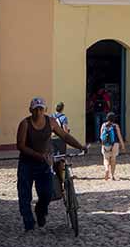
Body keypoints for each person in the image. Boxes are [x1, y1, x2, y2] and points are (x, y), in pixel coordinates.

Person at [16, 98, 86, 233]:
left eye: (41, 109)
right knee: (24, 195)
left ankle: (40, 211)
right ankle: (29, 224)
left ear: (45, 110)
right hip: (27, 163)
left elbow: (64, 136)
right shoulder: (25, 124)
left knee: (47, 193)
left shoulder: (51, 122)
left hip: (43, 163)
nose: (38, 112)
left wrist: (79, 146)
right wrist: (38, 155)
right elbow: (21, 145)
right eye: (36, 109)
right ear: (31, 110)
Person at [98, 112, 127, 181]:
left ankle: (107, 170)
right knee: (113, 159)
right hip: (114, 144)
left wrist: (102, 145)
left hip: (105, 145)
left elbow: (101, 137)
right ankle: (112, 176)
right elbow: (119, 137)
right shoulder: (115, 126)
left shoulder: (103, 125)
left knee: (106, 159)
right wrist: (123, 146)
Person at [51, 102, 70, 199]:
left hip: (52, 140)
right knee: (61, 158)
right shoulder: (63, 118)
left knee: (54, 158)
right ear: (62, 109)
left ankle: (54, 174)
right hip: (60, 140)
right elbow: (65, 130)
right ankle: (61, 177)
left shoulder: (51, 117)